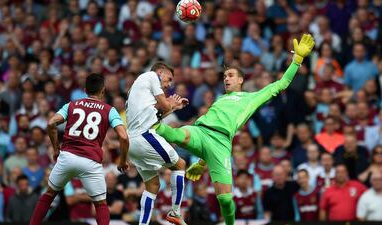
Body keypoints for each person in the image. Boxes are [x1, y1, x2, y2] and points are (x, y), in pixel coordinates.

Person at [154, 34, 315, 225]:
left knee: (225, 200)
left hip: (221, 144)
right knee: (173, 132)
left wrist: (297, 60)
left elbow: (281, 84)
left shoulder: (251, 98)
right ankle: (148, 122)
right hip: (201, 132)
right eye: (224, 76)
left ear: (241, 80)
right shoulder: (220, 99)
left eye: (230, 76)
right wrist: (201, 160)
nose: (226, 79)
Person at [28, 73, 129, 225]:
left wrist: (56, 149)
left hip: (67, 157)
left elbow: (51, 123)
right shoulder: (110, 110)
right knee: (101, 204)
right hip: (91, 161)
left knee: (49, 194)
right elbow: (123, 137)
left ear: (84, 89)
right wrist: (122, 161)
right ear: (103, 90)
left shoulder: (71, 105)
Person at [126, 62, 188, 225]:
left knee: (152, 185)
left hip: (132, 142)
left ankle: (143, 224)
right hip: (144, 136)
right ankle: (175, 212)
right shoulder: (151, 76)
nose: (169, 84)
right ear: (160, 72)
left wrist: (173, 108)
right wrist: (171, 104)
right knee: (180, 165)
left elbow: (156, 118)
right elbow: (165, 105)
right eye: (168, 79)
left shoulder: (139, 95)